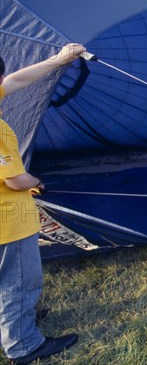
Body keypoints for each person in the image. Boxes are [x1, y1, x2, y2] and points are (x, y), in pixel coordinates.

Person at [1, 43, 85, 364]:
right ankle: (23, 345)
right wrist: (35, 181)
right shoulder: (0, 131)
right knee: (20, 281)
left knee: (6, 280)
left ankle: (13, 320)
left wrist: (58, 59)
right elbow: (14, 180)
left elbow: (17, 82)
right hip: (8, 223)